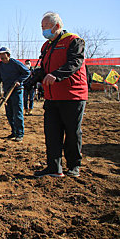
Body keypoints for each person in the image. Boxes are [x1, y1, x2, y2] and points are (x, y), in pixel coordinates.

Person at [34, 12, 87, 178]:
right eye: (42, 28)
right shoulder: (47, 46)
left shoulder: (74, 41)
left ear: (57, 26)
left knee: (72, 132)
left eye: (45, 27)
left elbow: (75, 63)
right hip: (51, 96)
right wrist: (32, 78)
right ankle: (54, 167)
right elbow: (44, 68)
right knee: (52, 133)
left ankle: (74, 166)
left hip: (72, 95)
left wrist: (56, 74)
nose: (43, 31)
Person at [0, 47, 30, 142]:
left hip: (17, 91)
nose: (2, 59)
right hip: (7, 91)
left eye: (3, 56)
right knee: (9, 113)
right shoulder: (0, 66)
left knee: (17, 112)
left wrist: (19, 81)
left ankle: (20, 134)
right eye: (0, 57)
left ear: (8, 55)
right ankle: (14, 132)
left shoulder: (15, 63)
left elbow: (27, 72)